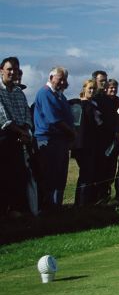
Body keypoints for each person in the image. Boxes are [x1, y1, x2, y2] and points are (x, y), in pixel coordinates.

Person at [33, 66, 76, 210]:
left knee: (60, 174)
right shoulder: (45, 93)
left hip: (61, 140)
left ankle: (57, 206)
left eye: (65, 79)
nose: (63, 82)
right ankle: (47, 207)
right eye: (60, 79)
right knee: (49, 174)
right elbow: (54, 119)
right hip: (48, 139)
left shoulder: (60, 96)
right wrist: (71, 132)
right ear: (51, 77)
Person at [0, 57, 34, 217]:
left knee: (18, 174)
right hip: (4, 136)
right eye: (9, 69)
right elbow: (4, 117)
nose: (12, 72)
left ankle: (15, 209)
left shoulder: (19, 92)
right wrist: (20, 132)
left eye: (15, 69)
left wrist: (26, 131)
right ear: (1, 71)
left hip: (20, 137)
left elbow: (26, 114)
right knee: (4, 174)